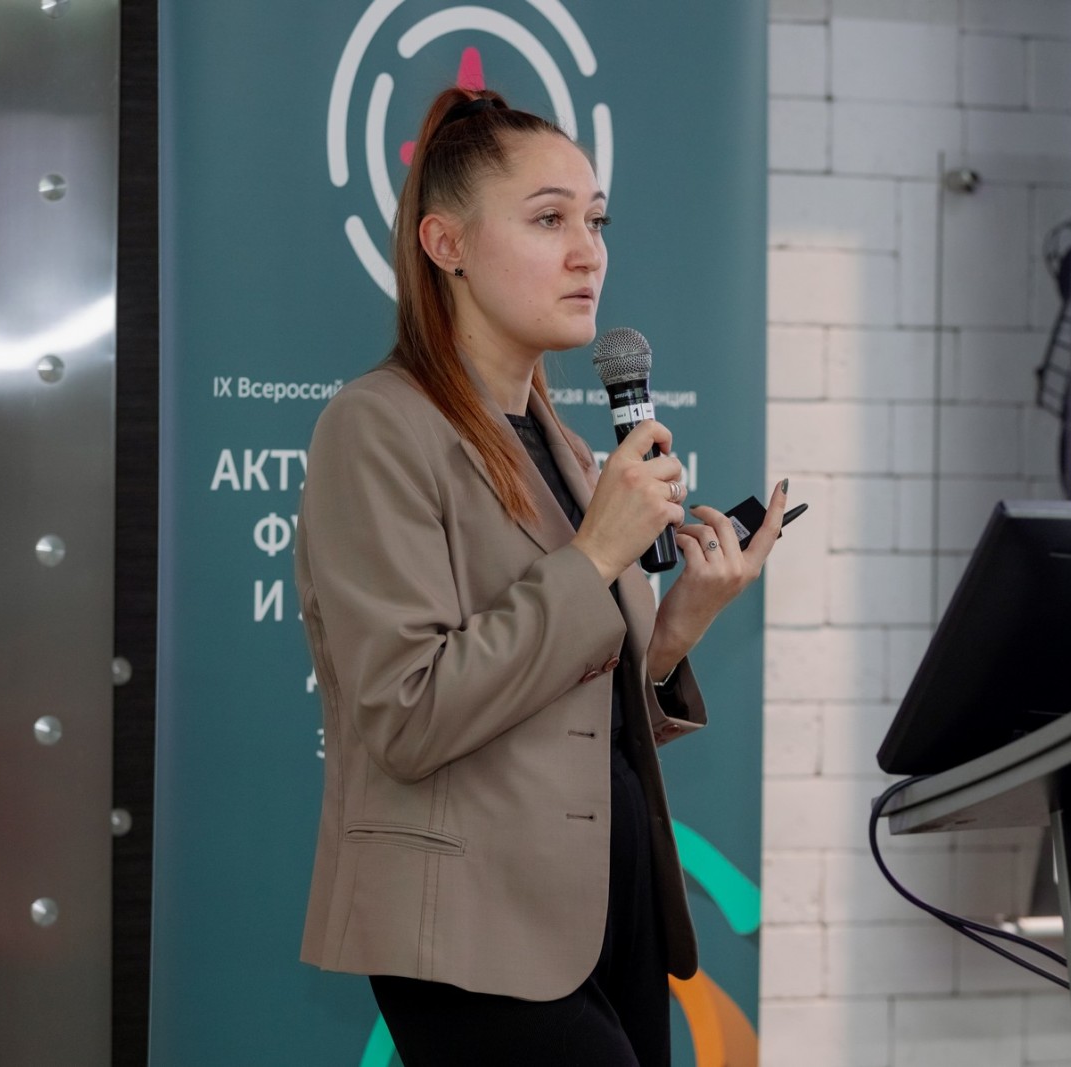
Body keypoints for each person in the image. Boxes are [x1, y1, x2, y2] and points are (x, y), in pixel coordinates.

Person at [293, 86, 787, 1066]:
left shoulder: (562, 444)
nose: (588, 252)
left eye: (595, 221)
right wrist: (595, 555)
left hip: (607, 912)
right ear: (446, 244)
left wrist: (675, 630)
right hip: (474, 927)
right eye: (549, 219)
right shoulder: (375, 426)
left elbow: (573, 712)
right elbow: (408, 710)